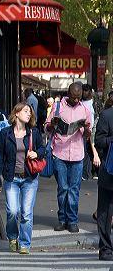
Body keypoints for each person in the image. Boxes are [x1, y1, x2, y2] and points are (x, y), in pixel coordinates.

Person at [0, 103, 45, 254]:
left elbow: (43, 148)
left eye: (30, 112)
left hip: (29, 178)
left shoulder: (33, 132)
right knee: (12, 211)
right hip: (11, 178)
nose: (29, 114)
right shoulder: (5, 133)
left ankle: (24, 244)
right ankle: (12, 237)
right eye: (25, 111)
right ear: (16, 113)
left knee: (26, 213)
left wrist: (37, 153)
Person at [45, 83, 92, 233]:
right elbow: (46, 127)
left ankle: (72, 220)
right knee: (63, 189)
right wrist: (53, 124)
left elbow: (87, 134)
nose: (76, 99)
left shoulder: (84, 109)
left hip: (77, 155)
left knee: (74, 190)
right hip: (60, 153)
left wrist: (86, 129)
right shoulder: (58, 107)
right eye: (73, 97)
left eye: (79, 97)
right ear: (68, 94)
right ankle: (62, 219)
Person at [94, 105, 113, 261]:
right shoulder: (107, 115)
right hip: (109, 171)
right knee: (105, 212)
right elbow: (98, 140)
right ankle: (105, 248)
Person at [81, 84, 101, 180]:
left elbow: (98, 115)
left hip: (94, 129)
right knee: (85, 151)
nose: (84, 92)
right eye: (83, 90)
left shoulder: (94, 102)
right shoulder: (80, 102)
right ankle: (85, 173)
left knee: (92, 151)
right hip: (83, 130)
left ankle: (94, 172)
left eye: (86, 90)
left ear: (90, 91)